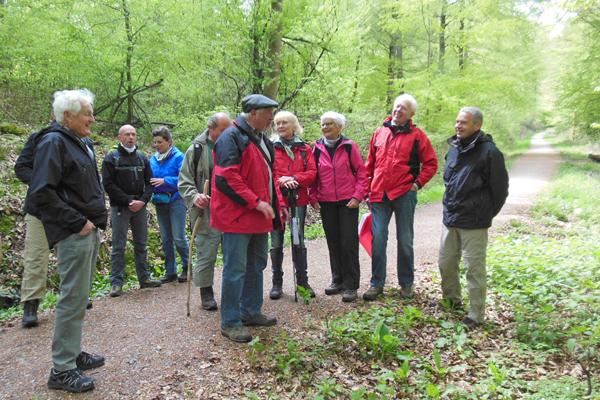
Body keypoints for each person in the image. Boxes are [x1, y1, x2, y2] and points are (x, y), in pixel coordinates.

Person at [28, 89, 107, 393]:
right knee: (72, 298)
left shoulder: (78, 141)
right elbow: (41, 192)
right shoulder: (54, 142)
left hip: (87, 229)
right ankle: (62, 370)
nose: (93, 119)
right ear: (67, 116)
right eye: (87, 114)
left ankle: (71, 353)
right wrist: (77, 221)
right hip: (73, 231)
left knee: (79, 297)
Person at [212, 94, 287, 343]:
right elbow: (226, 178)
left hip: (259, 216)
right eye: (269, 113)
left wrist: (279, 204)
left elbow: (271, 175)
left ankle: (251, 311)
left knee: (257, 265)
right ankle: (230, 322)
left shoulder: (262, 139)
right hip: (237, 217)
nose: (272, 118)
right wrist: (256, 202)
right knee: (235, 270)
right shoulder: (231, 137)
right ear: (253, 113)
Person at [432, 107, 509, 329]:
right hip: (451, 218)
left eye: (464, 122)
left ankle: (476, 315)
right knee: (446, 263)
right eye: (457, 121)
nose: (458, 126)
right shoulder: (453, 148)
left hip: (474, 222)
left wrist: (484, 213)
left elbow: (500, 190)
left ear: (477, 125)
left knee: (474, 269)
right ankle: (452, 300)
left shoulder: (490, 152)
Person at [15, 124, 95, 328]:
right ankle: (31, 304)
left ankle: (77, 296)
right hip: (40, 211)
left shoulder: (85, 142)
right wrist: (46, 183)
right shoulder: (41, 138)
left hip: (71, 212)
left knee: (74, 255)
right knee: (35, 257)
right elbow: (21, 167)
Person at [363, 94, 438, 301]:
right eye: (397, 107)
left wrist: (417, 184)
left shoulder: (418, 136)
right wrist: (366, 190)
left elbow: (431, 163)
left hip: (405, 193)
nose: (398, 110)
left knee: (405, 240)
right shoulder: (379, 133)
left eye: (403, 108)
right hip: (379, 193)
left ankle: (406, 284)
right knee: (378, 238)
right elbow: (369, 165)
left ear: (411, 114)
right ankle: (376, 284)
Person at [309, 111, 367, 303]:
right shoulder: (317, 148)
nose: (325, 127)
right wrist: (313, 197)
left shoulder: (349, 146)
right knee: (333, 241)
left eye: (329, 124)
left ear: (339, 127)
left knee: (349, 243)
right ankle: (338, 280)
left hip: (348, 202)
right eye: (323, 124)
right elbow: (313, 176)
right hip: (326, 202)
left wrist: (358, 197)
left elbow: (361, 173)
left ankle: (351, 285)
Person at [178, 112, 232, 310]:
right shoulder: (196, 150)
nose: (227, 134)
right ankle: (206, 292)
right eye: (223, 130)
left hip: (231, 212)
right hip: (206, 213)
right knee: (206, 253)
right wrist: (195, 196)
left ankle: (233, 292)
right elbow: (184, 181)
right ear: (211, 128)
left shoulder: (234, 146)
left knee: (233, 254)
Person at [102, 125, 163, 297]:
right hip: (120, 207)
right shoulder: (111, 158)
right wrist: (128, 201)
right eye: (127, 134)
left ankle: (144, 278)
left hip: (140, 207)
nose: (131, 137)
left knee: (141, 244)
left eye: (133, 134)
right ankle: (116, 283)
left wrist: (142, 201)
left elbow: (150, 183)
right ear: (119, 137)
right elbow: (108, 184)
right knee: (119, 246)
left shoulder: (142, 158)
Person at [269, 111, 317, 300]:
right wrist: (281, 181)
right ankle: (277, 282)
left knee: (298, 240)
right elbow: (268, 174)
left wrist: (294, 178)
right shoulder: (271, 148)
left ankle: (302, 282)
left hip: (298, 200)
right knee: (276, 242)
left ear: (294, 126)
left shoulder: (304, 148)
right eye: (278, 123)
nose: (281, 126)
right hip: (277, 201)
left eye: (285, 123)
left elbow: (312, 173)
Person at [149, 126, 190, 283]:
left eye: (160, 142)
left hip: (176, 201)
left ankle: (187, 267)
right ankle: (170, 271)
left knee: (179, 237)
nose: (157, 145)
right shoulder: (153, 159)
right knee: (166, 238)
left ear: (169, 142)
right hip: (160, 201)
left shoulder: (179, 157)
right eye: (155, 142)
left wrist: (165, 181)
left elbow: (185, 178)